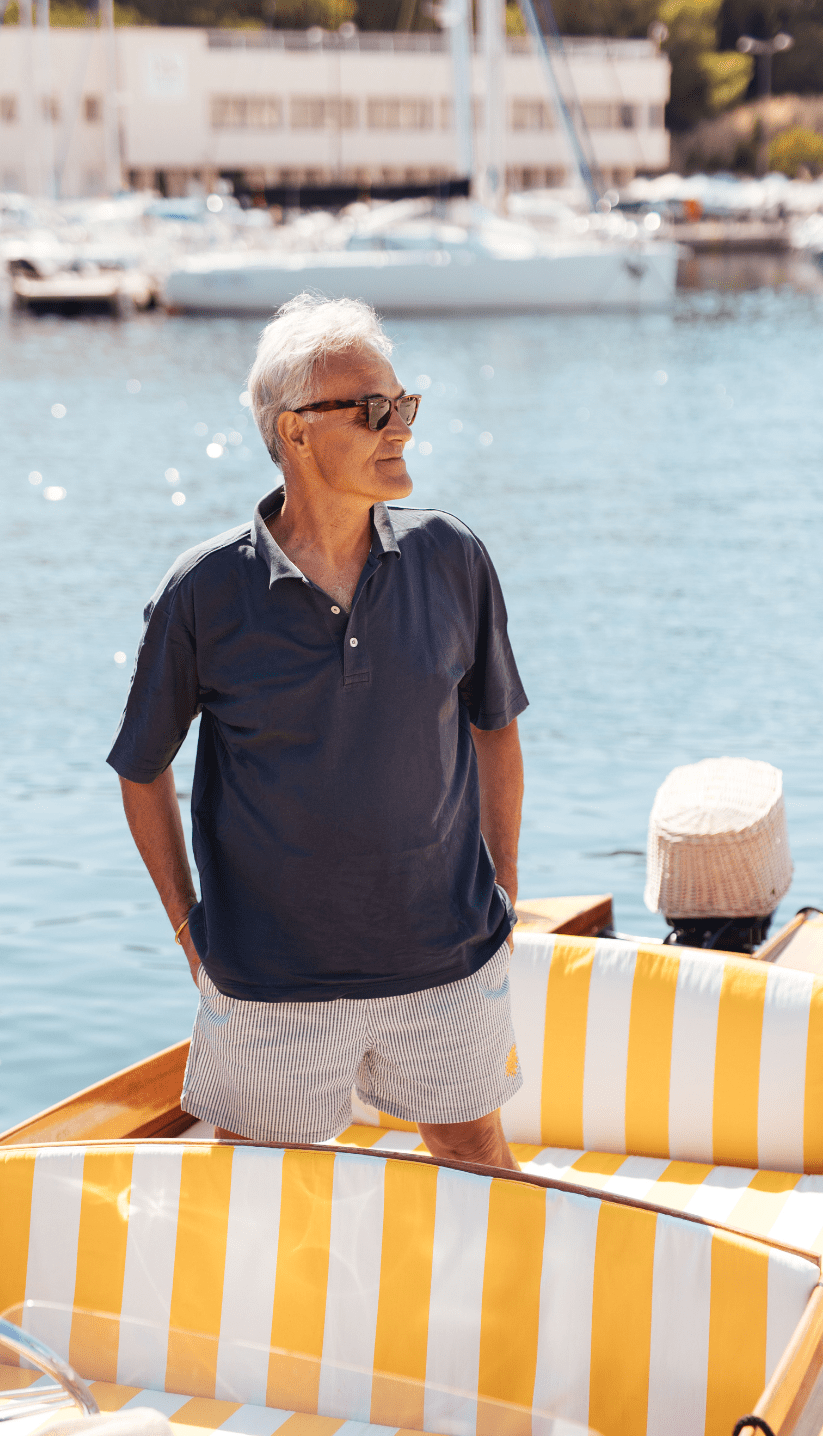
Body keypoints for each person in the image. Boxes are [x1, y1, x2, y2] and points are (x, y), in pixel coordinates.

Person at [108, 294, 527, 1169]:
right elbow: (142, 769)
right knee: (251, 1213)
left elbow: (495, 728)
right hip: (269, 984)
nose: (399, 429)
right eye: (372, 410)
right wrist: (192, 935)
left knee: (479, 1165)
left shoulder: (453, 557)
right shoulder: (203, 593)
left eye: (403, 405)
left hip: (449, 962)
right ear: (293, 431)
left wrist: (503, 894)